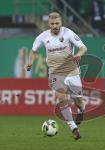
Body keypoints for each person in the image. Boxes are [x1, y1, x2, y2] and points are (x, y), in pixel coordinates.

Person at [26, 12, 87, 140]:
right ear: (49, 24)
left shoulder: (68, 33)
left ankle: (81, 110)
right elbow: (33, 50)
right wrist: (31, 62)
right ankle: (74, 128)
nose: (55, 26)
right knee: (61, 97)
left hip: (72, 70)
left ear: (61, 23)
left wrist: (78, 55)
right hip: (55, 71)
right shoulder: (43, 36)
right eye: (52, 24)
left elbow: (83, 47)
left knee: (79, 100)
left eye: (57, 23)